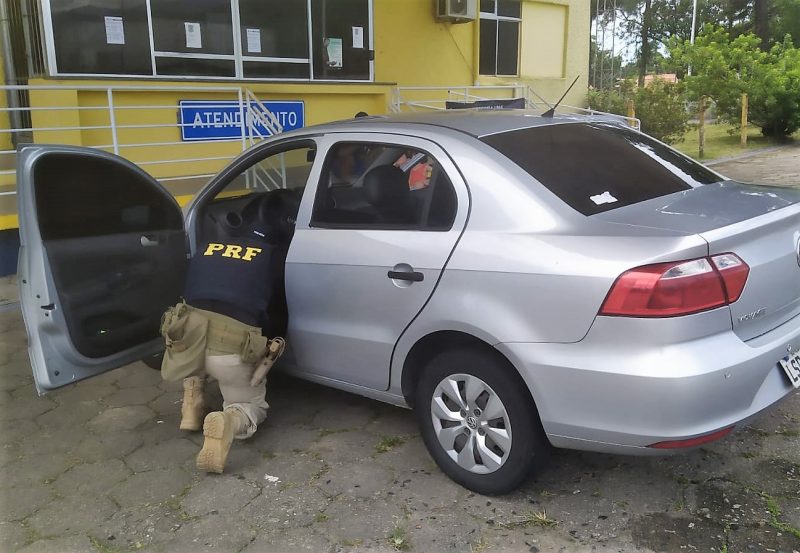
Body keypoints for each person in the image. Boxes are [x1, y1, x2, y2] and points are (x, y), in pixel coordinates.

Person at [159, 213, 286, 474]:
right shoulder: (271, 256)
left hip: (186, 340)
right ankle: (229, 419)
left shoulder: (207, 248)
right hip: (228, 350)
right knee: (251, 405)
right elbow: (275, 311)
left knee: (196, 339)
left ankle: (191, 407)